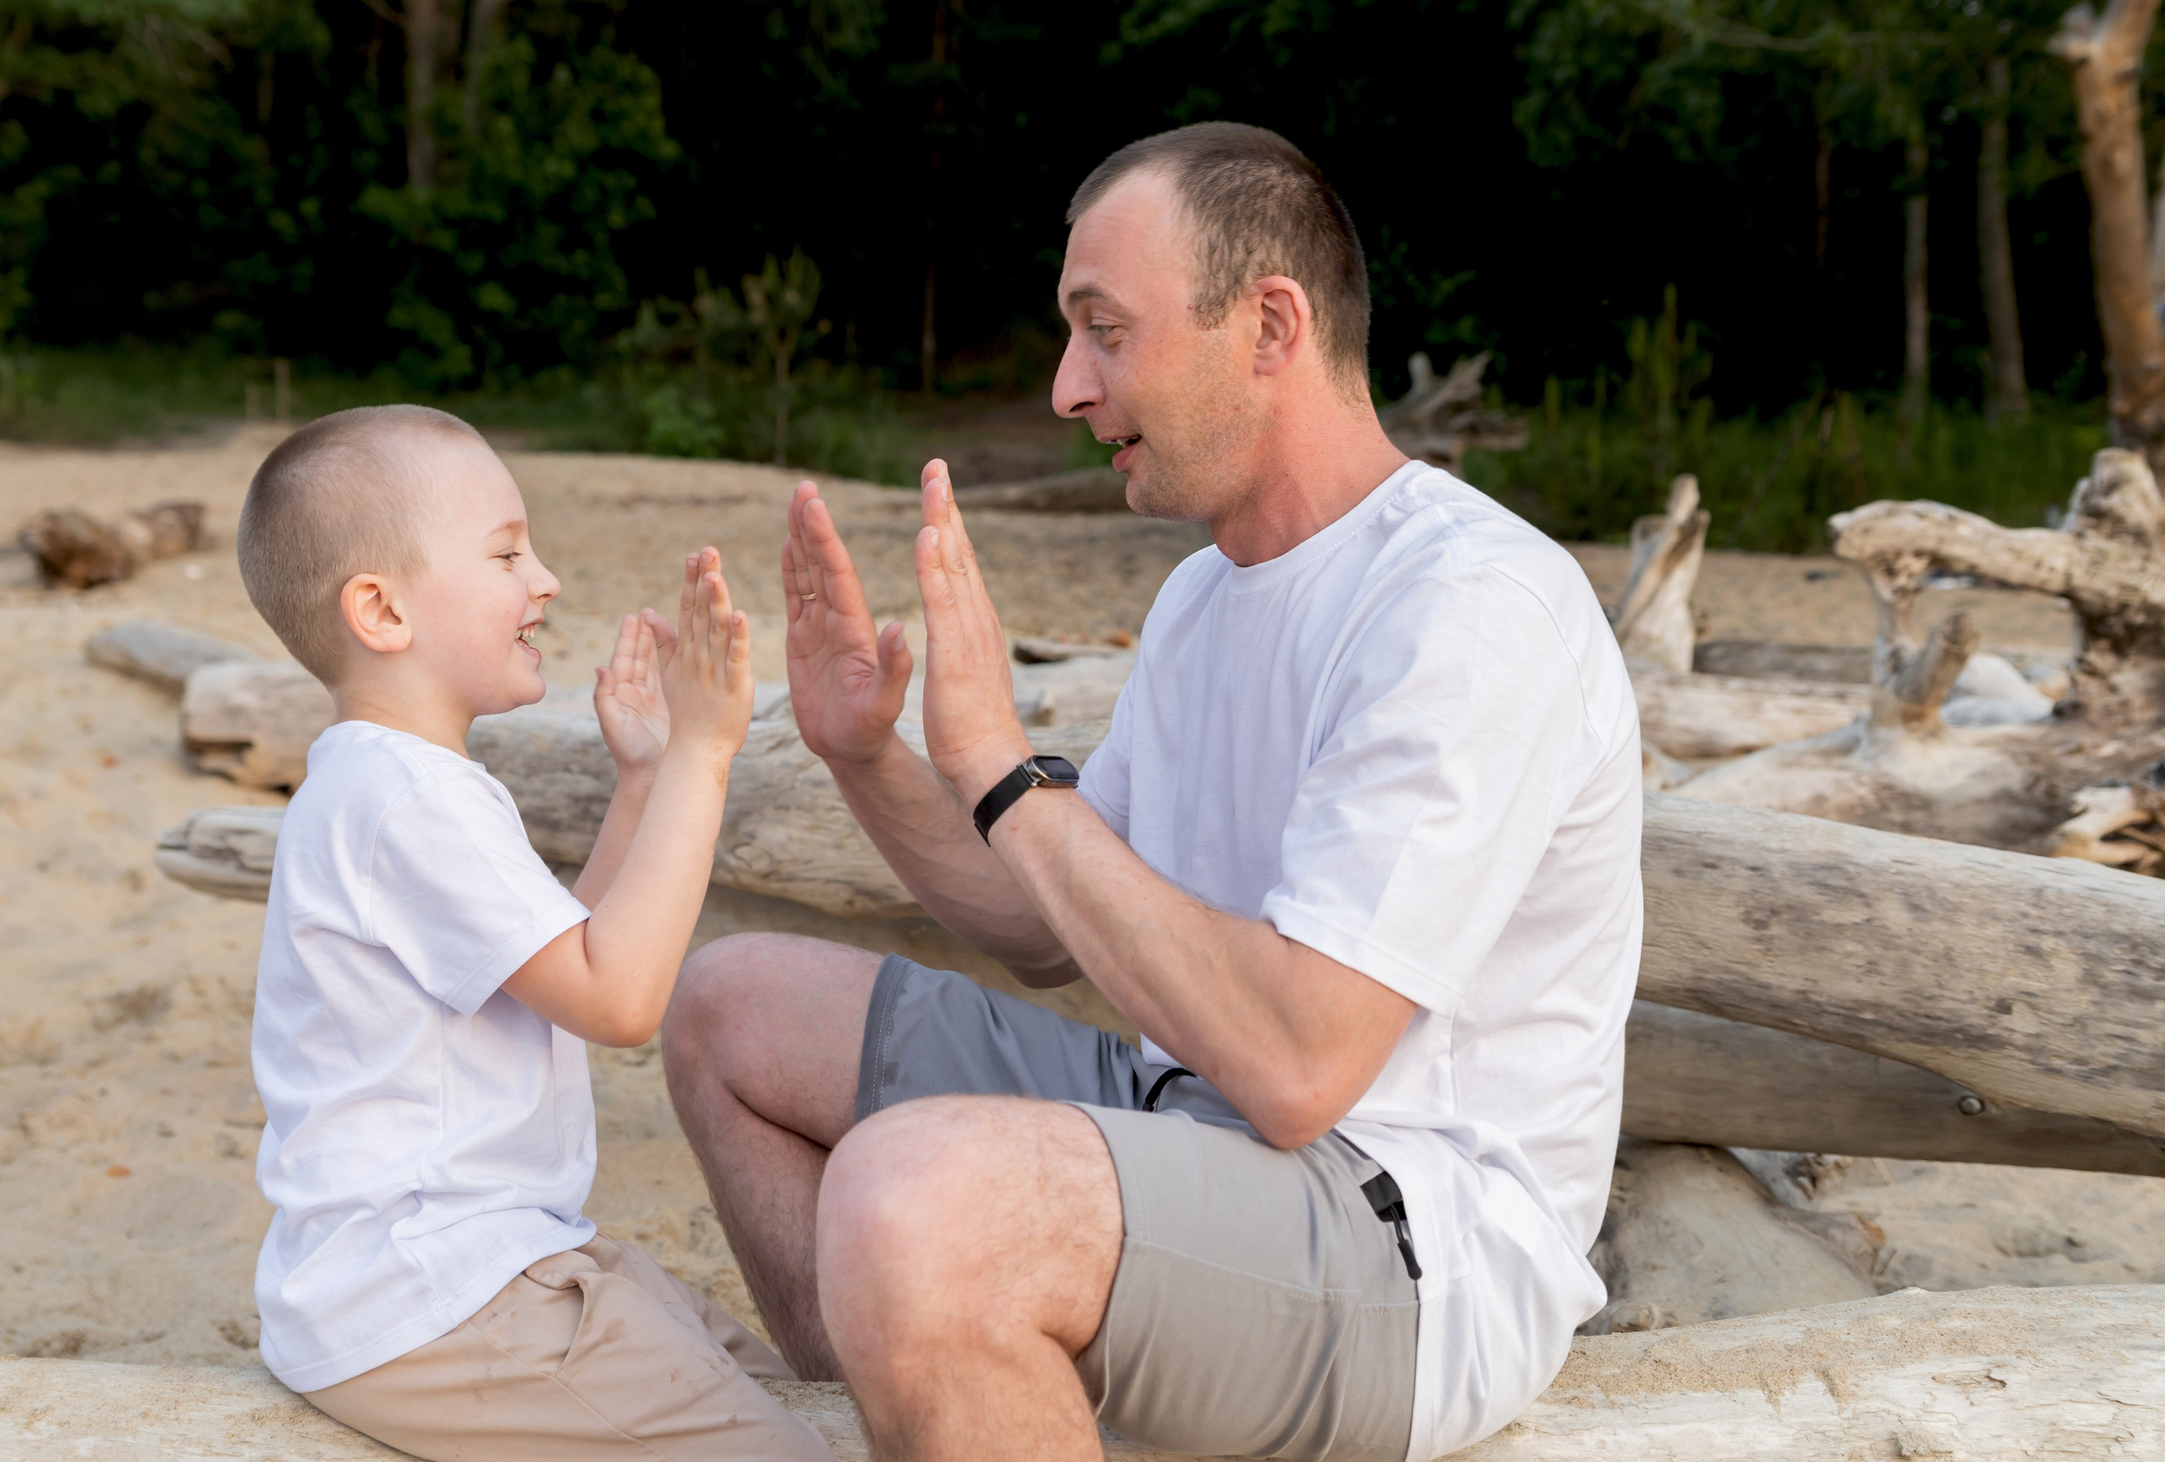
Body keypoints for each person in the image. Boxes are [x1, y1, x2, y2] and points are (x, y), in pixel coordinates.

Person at [663, 124, 1643, 1462]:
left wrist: (1007, 770)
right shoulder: (1200, 596)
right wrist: (869, 753)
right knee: (728, 1010)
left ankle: (954, 1334)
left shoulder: (1469, 604)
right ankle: (933, 1395)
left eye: (1104, 330)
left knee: (910, 1195)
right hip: (1178, 1120)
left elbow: (1300, 1065)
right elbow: (1047, 920)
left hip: (1408, 1240)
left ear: (1269, 324)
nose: (1070, 386)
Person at [236, 405, 828, 1462]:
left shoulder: (395, 782)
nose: (544, 578)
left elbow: (562, 957)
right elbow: (618, 999)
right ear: (379, 610)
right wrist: (702, 758)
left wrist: (643, 781)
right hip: (433, 1302)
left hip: (479, 1265)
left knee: (789, 1392)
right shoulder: (406, 798)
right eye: (508, 552)